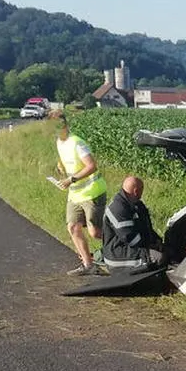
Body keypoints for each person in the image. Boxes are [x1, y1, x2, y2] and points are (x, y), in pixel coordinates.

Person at [51, 110, 108, 275]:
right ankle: (88, 265)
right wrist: (61, 170)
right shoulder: (59, 143)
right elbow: (67, 164)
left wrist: (72, 179)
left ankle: (124, 245)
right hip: (75, 194)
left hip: (92, 191)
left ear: (65, 125)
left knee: (95, 232)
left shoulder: (77, 142)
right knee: (73, 227)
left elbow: (91, 166)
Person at [102, 176, 164, 271]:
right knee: (158, 258)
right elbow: (131, 239)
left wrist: (156, 241)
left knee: (168, 250)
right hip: (118, 254)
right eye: (142, 189)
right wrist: (151, 247)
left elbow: (146, 227)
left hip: (134, 248)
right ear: (136, 191)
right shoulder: (118, 209)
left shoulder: (137, 205)